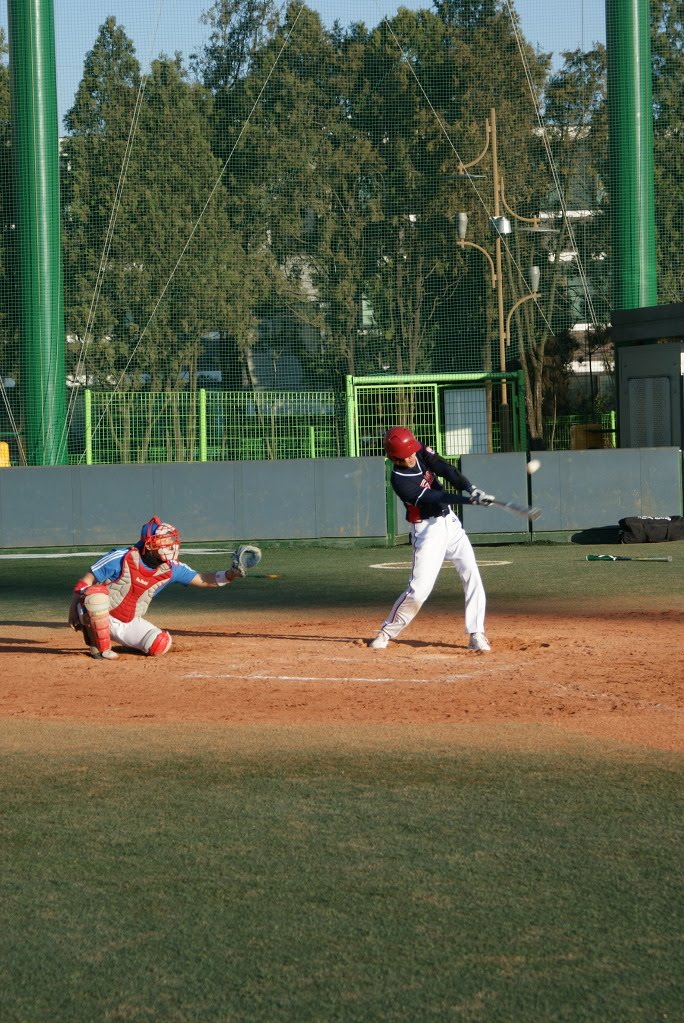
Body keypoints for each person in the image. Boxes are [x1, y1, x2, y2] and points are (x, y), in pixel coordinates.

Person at [368, 427, 495, 653]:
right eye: (405, 455)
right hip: (427, 531)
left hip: (450, 524)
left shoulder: (418, 453)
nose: (411, 456)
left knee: (472, 574)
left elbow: (446, 469)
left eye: (411, 452)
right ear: (393, 458)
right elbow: (435, 496)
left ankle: (476, 633)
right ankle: (386, 631)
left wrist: (470, 488)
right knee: (418, 591)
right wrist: (469, 501)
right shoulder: (399, 480)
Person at [68, 516, 247, 660]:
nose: (171, 546)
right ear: (149, 545)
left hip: (128, 621)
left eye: (171, 541)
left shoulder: (172, 568)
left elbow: (202, 579)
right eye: (165, 542)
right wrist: (73, 611)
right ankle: (99, 647)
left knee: (160, 644)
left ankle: (121, 641)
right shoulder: (122, 557)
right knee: (95, 595)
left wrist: (230, 574)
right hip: (96, 612)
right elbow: (86, 580)